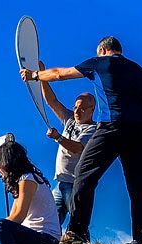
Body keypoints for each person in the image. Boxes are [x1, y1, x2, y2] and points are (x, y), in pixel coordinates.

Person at [20, 36, 142, 244]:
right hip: (141, 131)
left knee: (84, 174)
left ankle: (78, 231)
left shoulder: (100, 63)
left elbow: (60, 74)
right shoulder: (141, 71)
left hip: (112, 126)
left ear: (102, 50)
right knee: (139, 189)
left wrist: (34, 75)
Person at [37, 61, 97, 226]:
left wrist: (58, 138)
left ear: (92, 110)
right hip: (61, 182)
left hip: (75, 183)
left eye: (82, 109)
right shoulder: (70, 119)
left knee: (77, 220)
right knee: (52, 222)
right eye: (76, 107)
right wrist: (42, 76)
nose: (77, 111)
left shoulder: (93, 129)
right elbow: (52, 102)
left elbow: (78, 148)